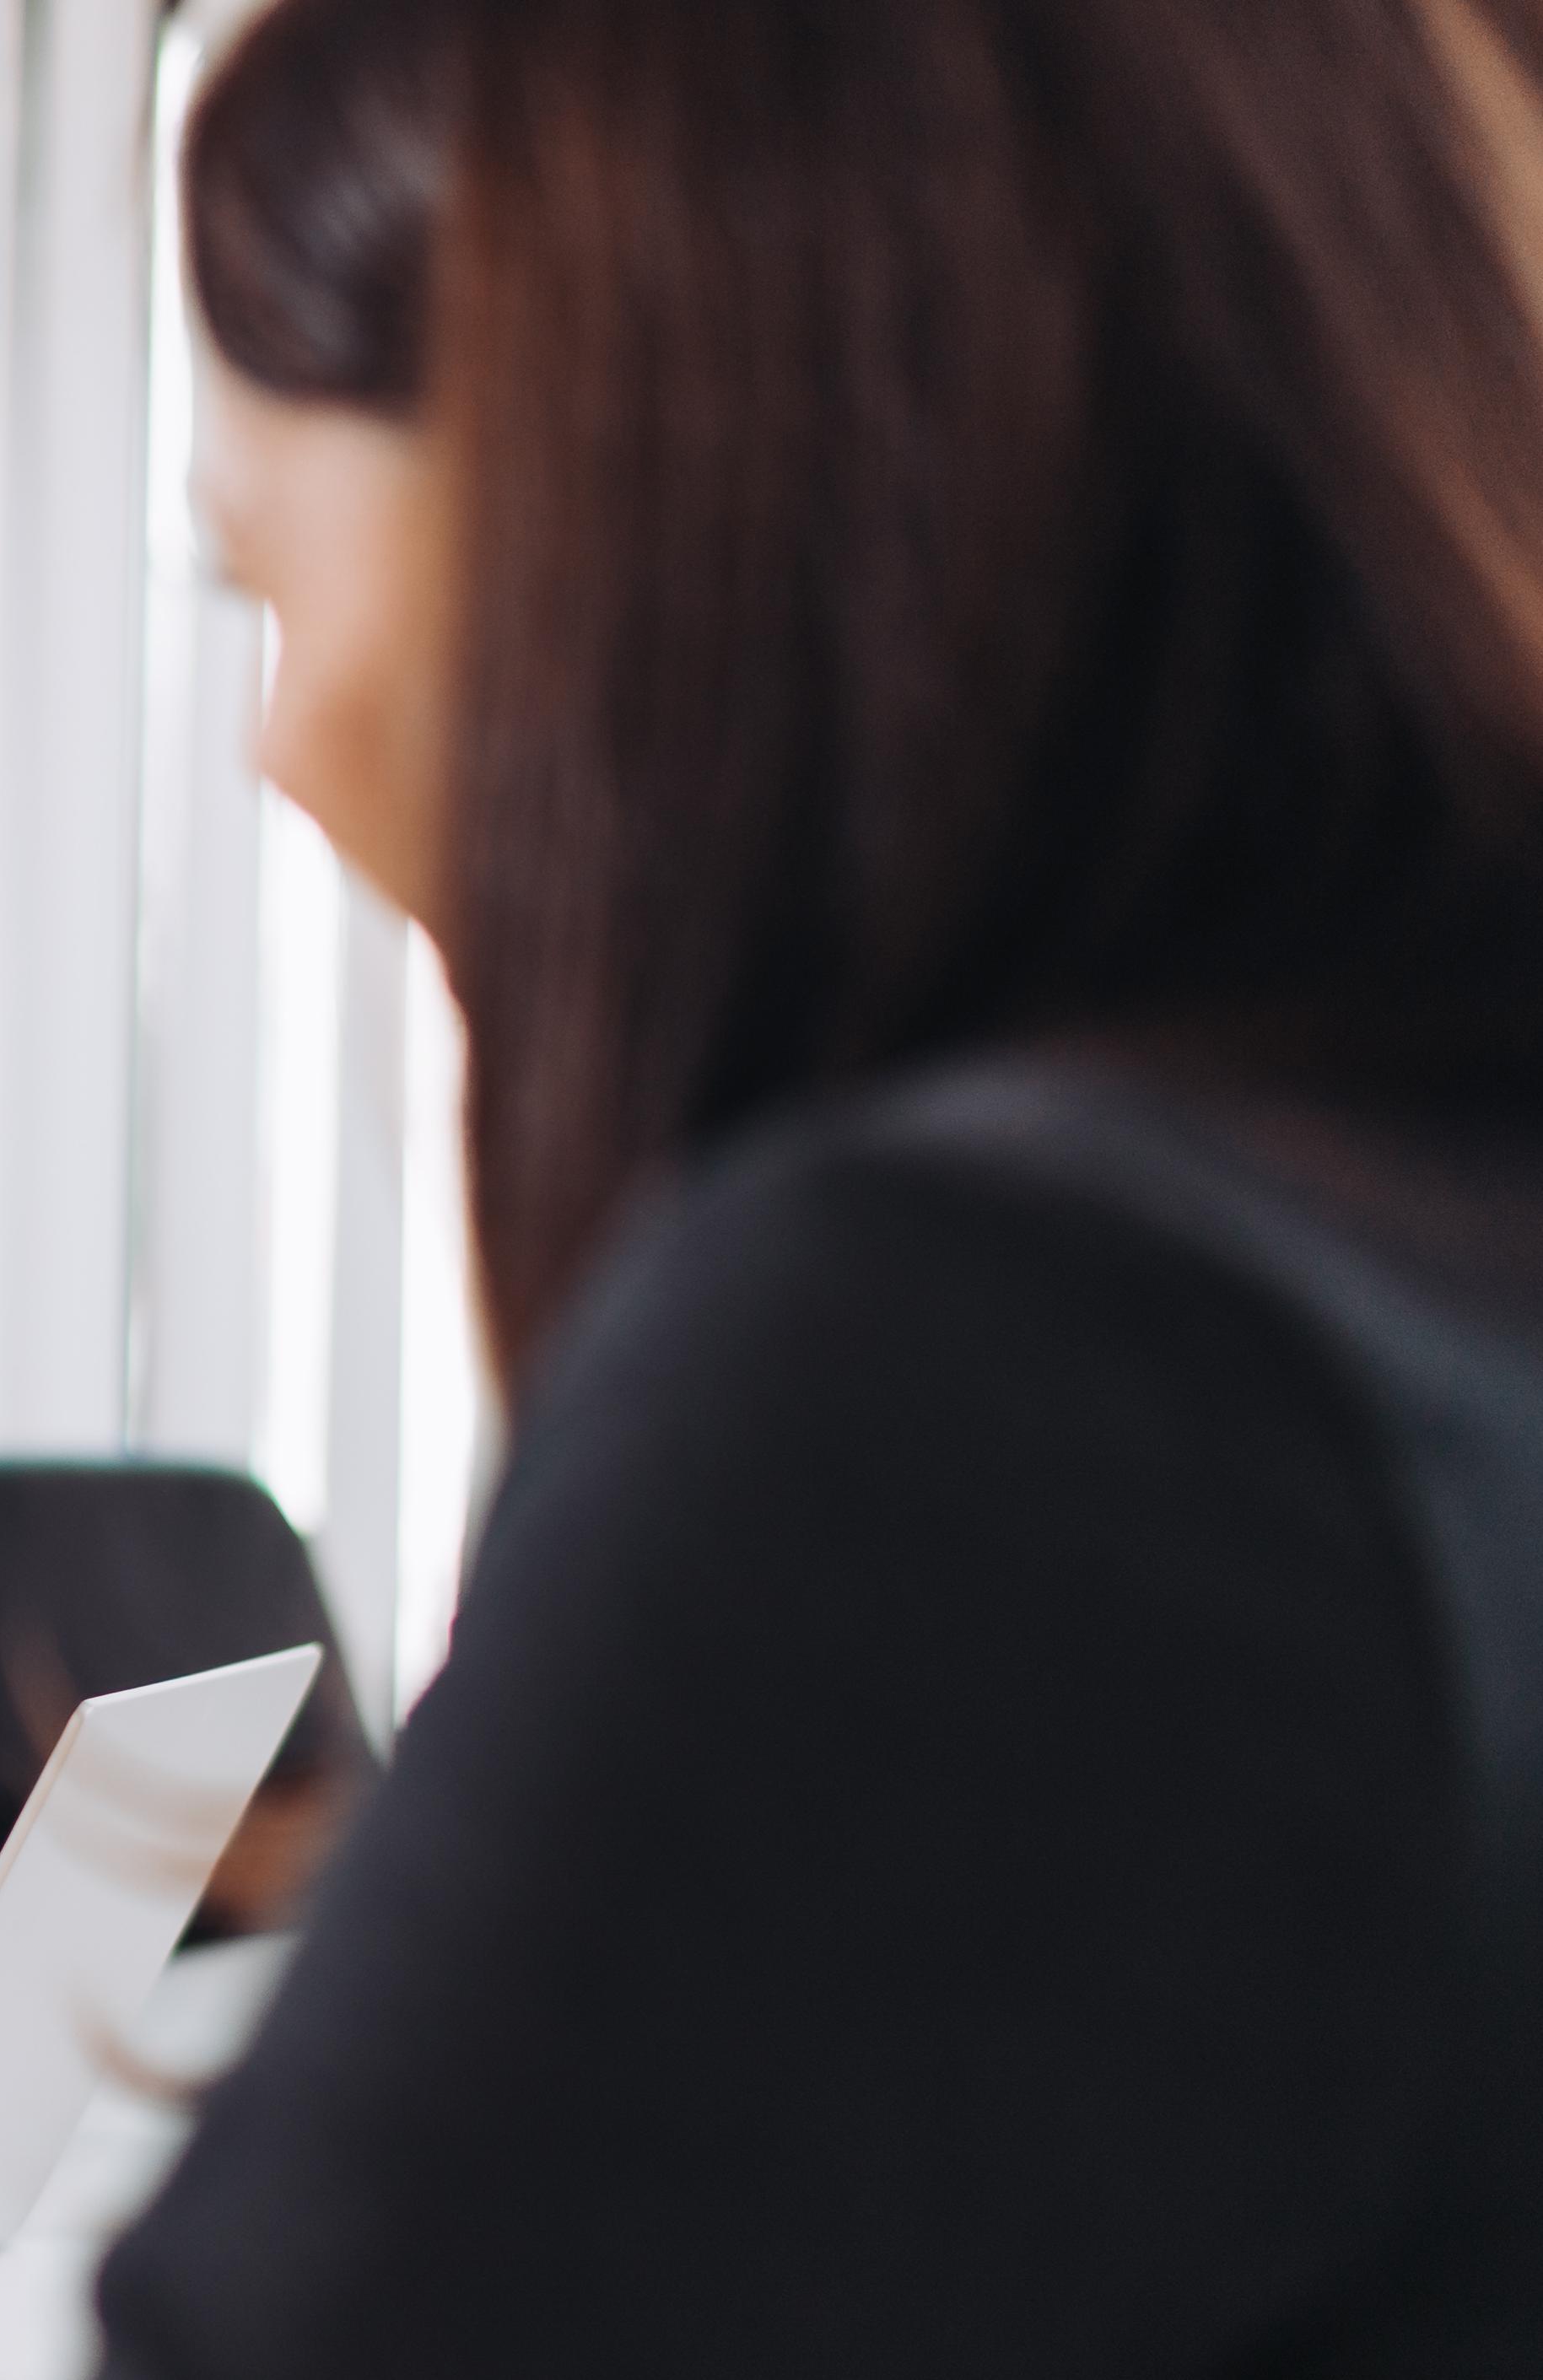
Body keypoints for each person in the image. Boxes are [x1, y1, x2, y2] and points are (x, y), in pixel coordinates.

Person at [102, 0, 1543, 2369]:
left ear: (656, 495)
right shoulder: (1417, 1270)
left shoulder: (996, 1379)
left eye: (264, 580)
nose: (290, 742)